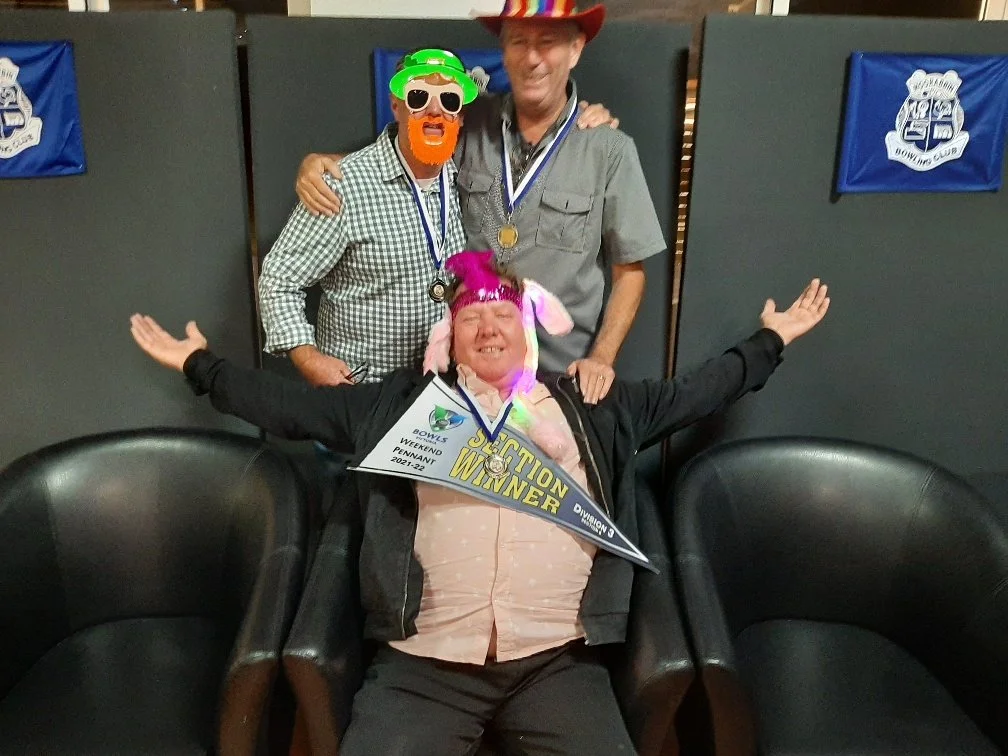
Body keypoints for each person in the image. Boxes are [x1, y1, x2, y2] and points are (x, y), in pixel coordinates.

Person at [129, 252, 829, 756]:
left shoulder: (595, 404)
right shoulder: (400, 407)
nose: (489, 328)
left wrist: (771, 342)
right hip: (423, 665)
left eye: (503, 315)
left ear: (528, 330)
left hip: (558, 661)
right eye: (472, 318)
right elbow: (292, 409)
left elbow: (697, 393)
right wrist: (202, 367)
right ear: (450, 336)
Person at [294, 2, 663, 406]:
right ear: (503, 51)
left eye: (548, 42)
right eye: (518, 41)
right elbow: (407, 158)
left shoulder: (609, 150)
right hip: (467, 380)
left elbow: (630, 272)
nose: (532, 58)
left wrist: (601, 359)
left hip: (557, 381)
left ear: (575, 50)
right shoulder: (468, 124)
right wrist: (328, 165)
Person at [258, 49, 478, 387]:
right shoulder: (343, 184)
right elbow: (278, 279)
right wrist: (308, 359)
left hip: (442, 390)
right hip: (361, 392)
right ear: (396, 105)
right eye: (419, 97)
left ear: (460, 116)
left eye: (449, 100)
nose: (435, 110)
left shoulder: (467, 179)